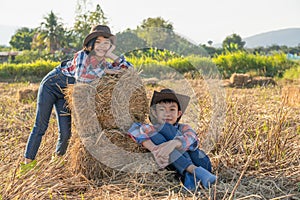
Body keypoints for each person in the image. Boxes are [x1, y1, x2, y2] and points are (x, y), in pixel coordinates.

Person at [24, 25, 132, 164]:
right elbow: (82, 79)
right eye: (98, 42)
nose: (101, 46)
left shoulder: (103, 62)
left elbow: (129, 68)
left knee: (65, 133)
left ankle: (57, 161)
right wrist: (105, 72)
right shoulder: (82, 55)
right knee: (40, 126)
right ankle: (27, 164)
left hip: (66, 94)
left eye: (106, 43)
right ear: (91, 44)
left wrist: (111, 55)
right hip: (51, 86)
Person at [128, 89, 216, 190]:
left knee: (167, 129)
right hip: (178, 168)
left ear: (178, 113)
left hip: (201, 162)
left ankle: (191, 173)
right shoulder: (152, 129)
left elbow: (193, 139)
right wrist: (154, 149)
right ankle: (193, 173)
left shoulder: (184, 127)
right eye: (162, 110)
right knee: (157, 136)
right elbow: (134, 128)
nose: (167, 114)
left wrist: (173, 143)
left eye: (172, 109)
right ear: (154, 113)